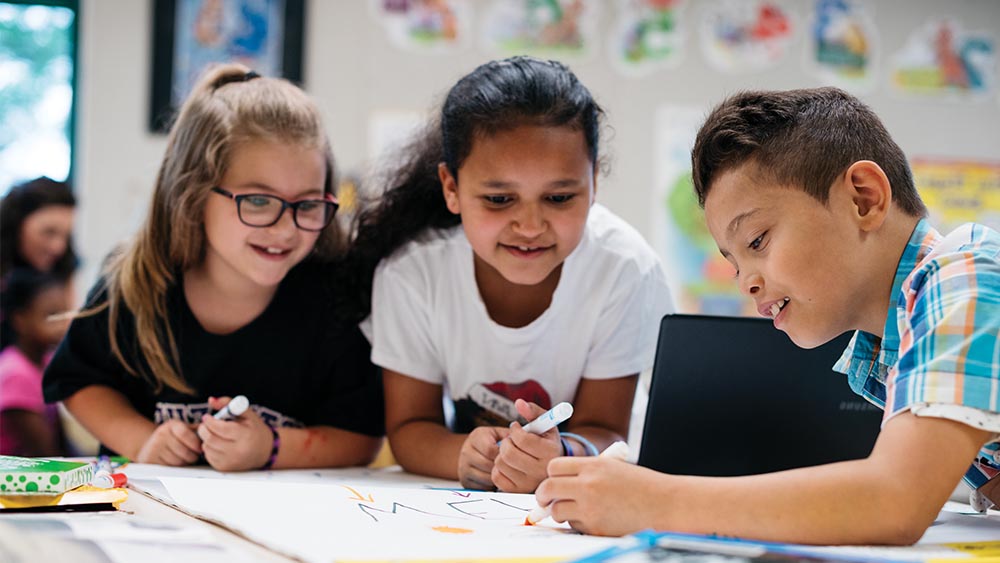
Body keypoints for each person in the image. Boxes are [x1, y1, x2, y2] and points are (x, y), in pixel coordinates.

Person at [534, 87, 1000, 544]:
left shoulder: (965, 277)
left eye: (757, 241)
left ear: (864, 198)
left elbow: (894, 502)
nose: (745, 282)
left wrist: (653, 500)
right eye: (735, 262)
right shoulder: (890, 343)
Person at [352, 56, 674, 493]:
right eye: (499, 200)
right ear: (452, 188)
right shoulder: (412, 274)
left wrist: (561, 456)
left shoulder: (623, 268)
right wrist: (464, 456)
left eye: (559, 197)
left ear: (593, 182)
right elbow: (411, 428)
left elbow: (606, 430)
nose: (530, 226)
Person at [43, 64, 385, 471]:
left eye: (308, 204)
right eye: (258, 201)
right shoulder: (135, 283)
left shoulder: (337, 300)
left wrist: (271, 447)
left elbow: (361, 438)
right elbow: (79, 382)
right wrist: (142, 441)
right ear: (193, 194)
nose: (285, 228)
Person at [0, 269, 70, 456]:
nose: (63, 323)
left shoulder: (47, 361)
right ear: (20, 320)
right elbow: (41, 450)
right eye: (52, 314)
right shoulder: (15, 373)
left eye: (65, 313)